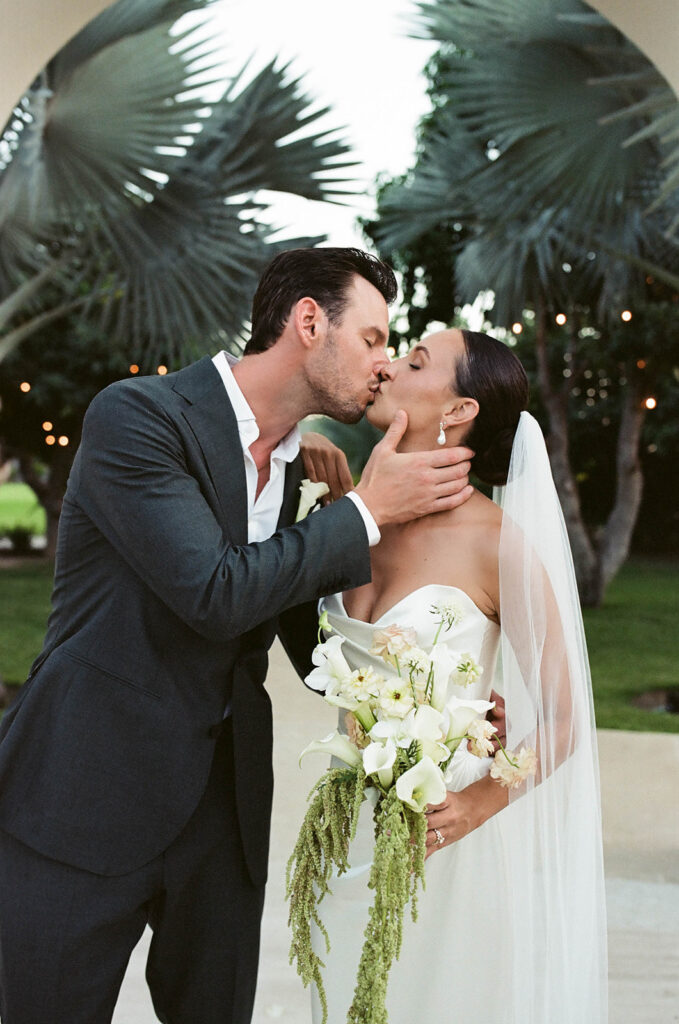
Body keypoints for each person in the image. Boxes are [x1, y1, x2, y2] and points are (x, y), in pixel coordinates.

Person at [0, 248, 475, 1024]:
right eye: (372, 338)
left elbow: (307, 639)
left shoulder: (302, 471)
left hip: (221, 814)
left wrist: (433, 705)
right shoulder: (139, 417)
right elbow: (214, 593)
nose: (383, 366)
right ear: (308, 321)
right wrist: (363, 516)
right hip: (80, 797)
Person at [302, 328, 608, 1023]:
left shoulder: (494, 541)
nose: (386, 367)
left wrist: (475, 807)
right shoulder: (347, 519)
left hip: (444, 841)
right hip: (346, 830)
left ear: (458, 410)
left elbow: (564, 718)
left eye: (414, 362)